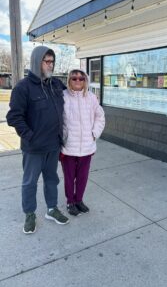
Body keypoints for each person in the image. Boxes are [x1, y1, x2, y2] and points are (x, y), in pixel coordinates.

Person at [6, 46, 69, 234]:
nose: (50, 65)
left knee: (52, 179)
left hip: (53, 145)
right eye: (46, 61)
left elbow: (74, 94)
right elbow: (14, 117)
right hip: (33, 148)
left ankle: (51, 209)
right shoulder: (23, 87)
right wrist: (30, 136)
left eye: (52, 61)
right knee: (30, 182)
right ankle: (30, 214)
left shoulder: (56, 84)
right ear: (36, 62)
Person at [60, 69, 105, 216]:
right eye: (74, 78)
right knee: (69, 177)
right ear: (69, 80)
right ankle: (70, 202)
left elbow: (100, 117)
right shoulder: (63, 97)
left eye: (81, 78)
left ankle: (78, 200)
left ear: (85, 81)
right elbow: (57, 119)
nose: (78, 81)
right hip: (68, 148)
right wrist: (63, 137)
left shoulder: (91, 97)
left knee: (82, 177)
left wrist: (94, 133)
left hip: (87, 146)